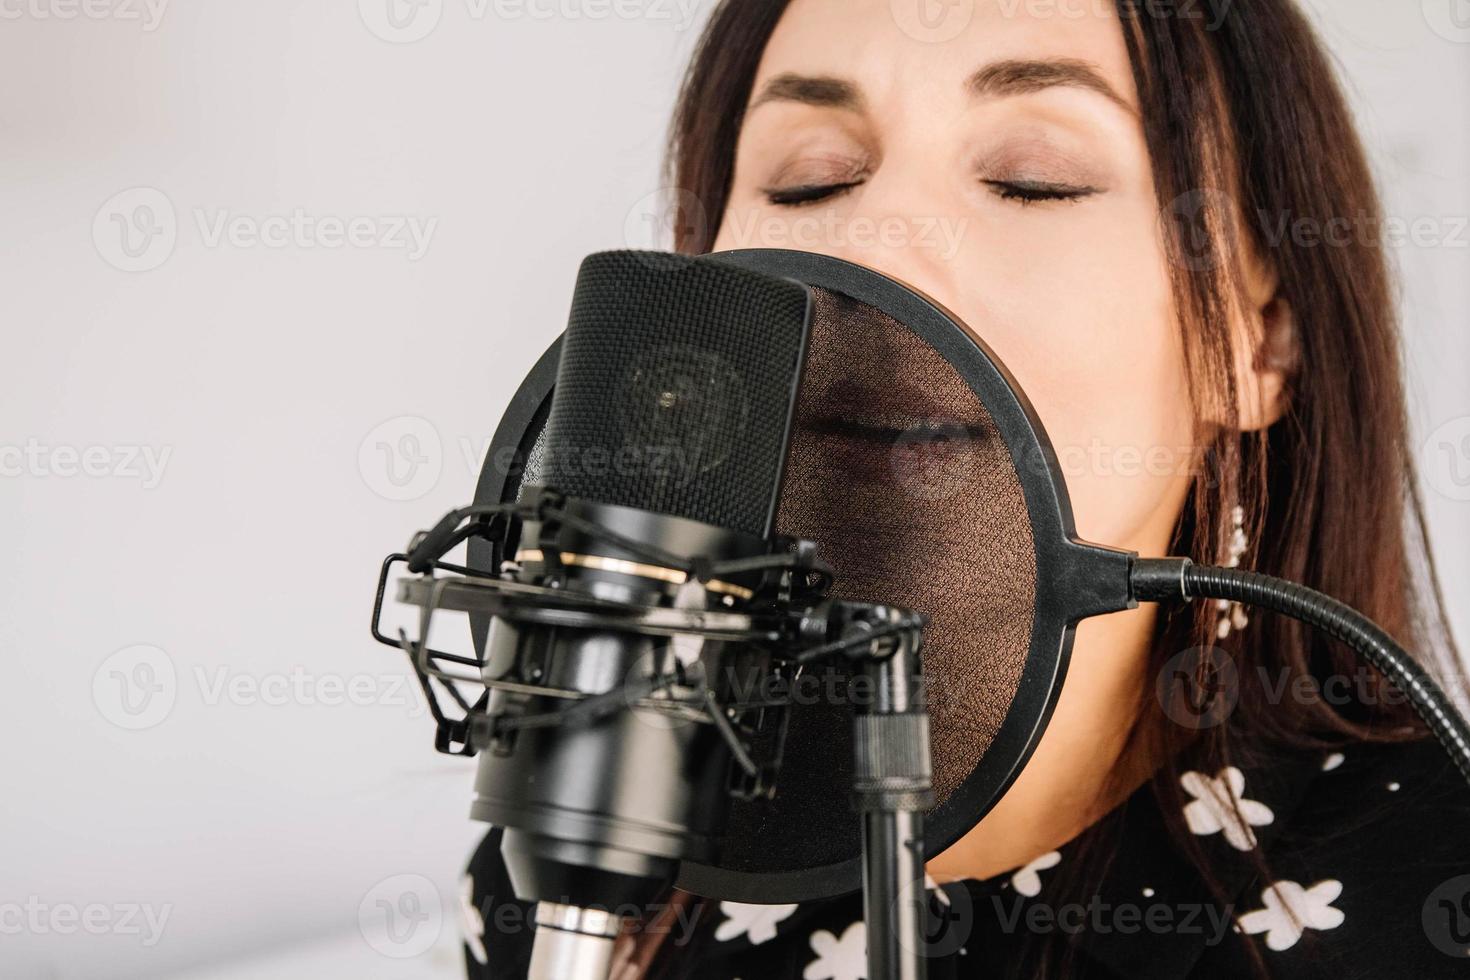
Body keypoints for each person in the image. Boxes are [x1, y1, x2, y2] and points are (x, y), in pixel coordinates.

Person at [462, 0, 1470, 976]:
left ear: (1261, 342)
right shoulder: (586, 855)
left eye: (1035, 179)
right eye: (808, 180)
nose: (869, 241)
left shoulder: (1422, 901)